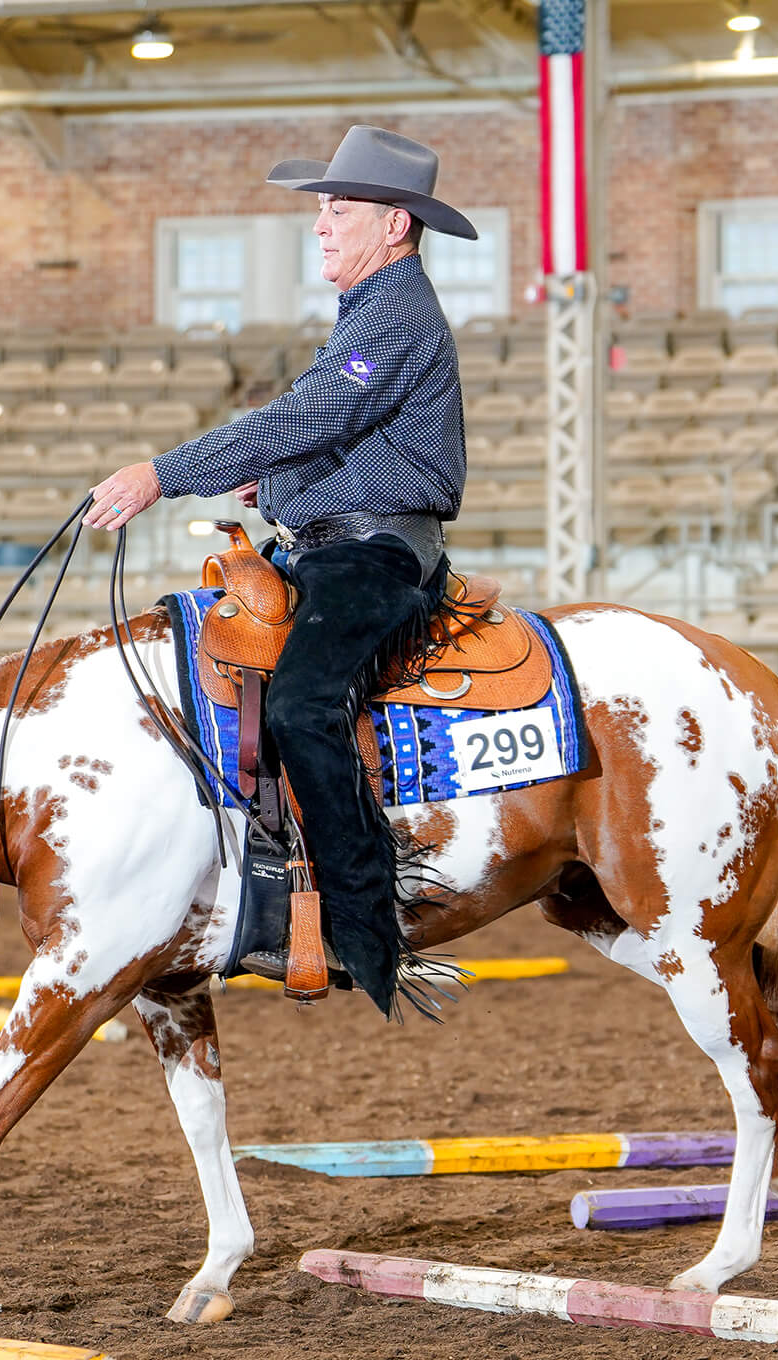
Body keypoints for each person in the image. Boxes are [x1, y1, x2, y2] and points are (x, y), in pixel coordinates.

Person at [85, 124, 473, 1018]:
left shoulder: (399, 315)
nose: (322, 225)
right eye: (324, 208)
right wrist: (283, 482)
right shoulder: (372, 311)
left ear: (396, 227)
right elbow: (332, 433)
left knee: (301, 705)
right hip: (334, 538)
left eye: (340, 209)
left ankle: (365, 927)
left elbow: (306, 419)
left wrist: (163, 474)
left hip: (376, 553)